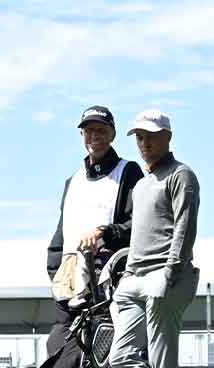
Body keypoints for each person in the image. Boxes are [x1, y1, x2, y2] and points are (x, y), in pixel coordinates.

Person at [110, 109, 200, 368]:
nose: (144, 144)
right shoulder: (142, 185)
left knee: (163, 365)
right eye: (139, 138)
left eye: (150, 136)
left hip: (165, 278)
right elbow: (140, 235)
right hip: (133, 280)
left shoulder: (181, 176)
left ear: (168, 137)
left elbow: (184, 228)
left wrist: (170, 270)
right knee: (121, 356)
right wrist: (120, 264)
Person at [45, 105, 144, 354]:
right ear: (81, 136)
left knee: (107, 361)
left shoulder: (128, 172)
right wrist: (55, 271)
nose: (94, 136)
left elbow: (141, 225)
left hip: (111, 285)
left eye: (101, 130)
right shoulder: (73, 181)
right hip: (69, 288)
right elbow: (61, 235)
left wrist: (104, 232)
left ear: (112, 135)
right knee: (61, 357)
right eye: (88, 131)